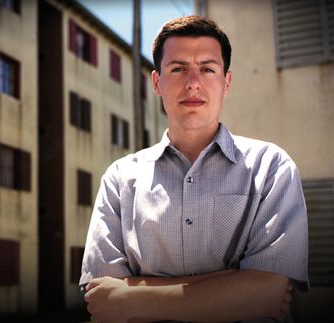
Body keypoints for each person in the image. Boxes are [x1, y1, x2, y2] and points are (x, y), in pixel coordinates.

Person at [79, 15, 308, 323]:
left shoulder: (271, 167)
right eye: (178, 68)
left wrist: (133, 297)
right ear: (157, 82)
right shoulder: (120, 179)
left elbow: (267, 292)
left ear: (226, 82)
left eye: (207, 68)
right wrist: (235, 289)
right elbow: (103, 300)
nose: (193, 82)